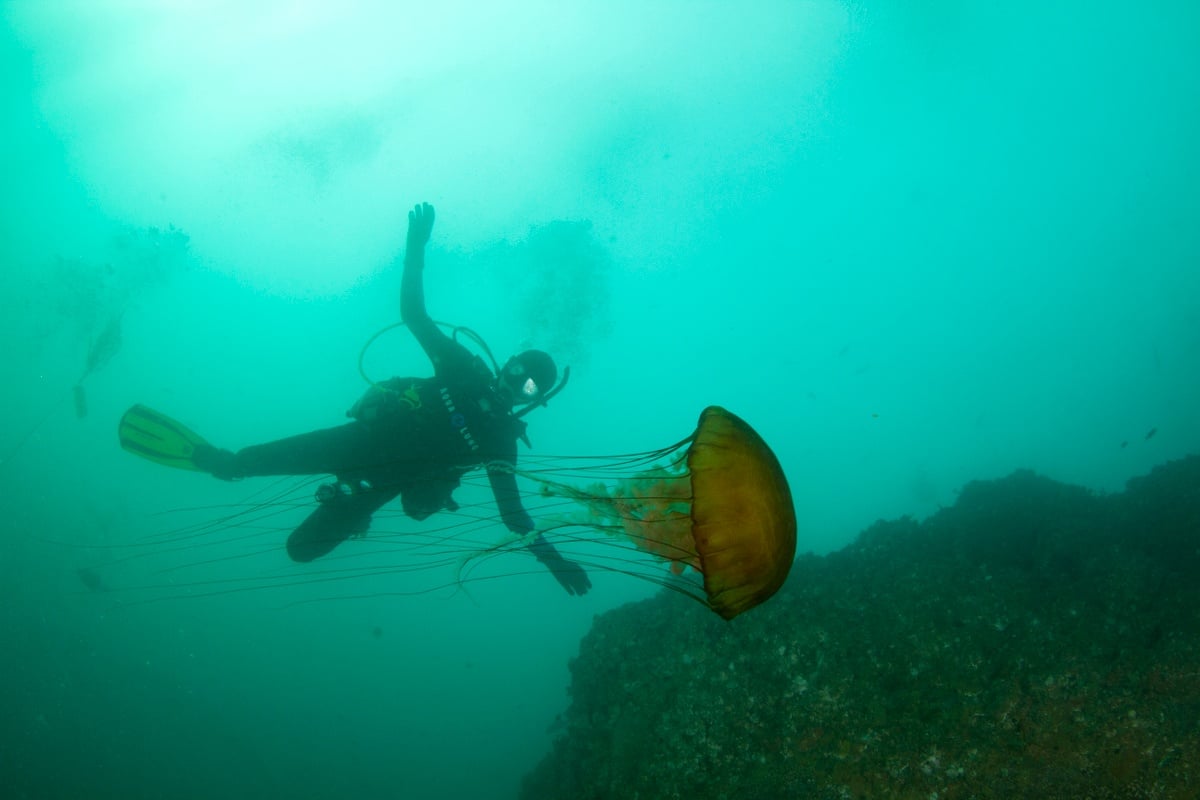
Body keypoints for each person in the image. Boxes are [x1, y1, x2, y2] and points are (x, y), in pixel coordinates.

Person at [118, 203, 591, 596]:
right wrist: (415, 247)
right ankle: (204, 456)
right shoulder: (462, 369)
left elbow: (513, 515)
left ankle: (344, 506)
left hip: (376, 486)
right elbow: (414, 314)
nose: (515, 384)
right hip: (353, 442)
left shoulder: (499, 443)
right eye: (516, 371)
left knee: (299, 551)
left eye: (529, 387)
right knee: (235, 464)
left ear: (537, 398)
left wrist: (555, 562)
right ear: (505, 363)